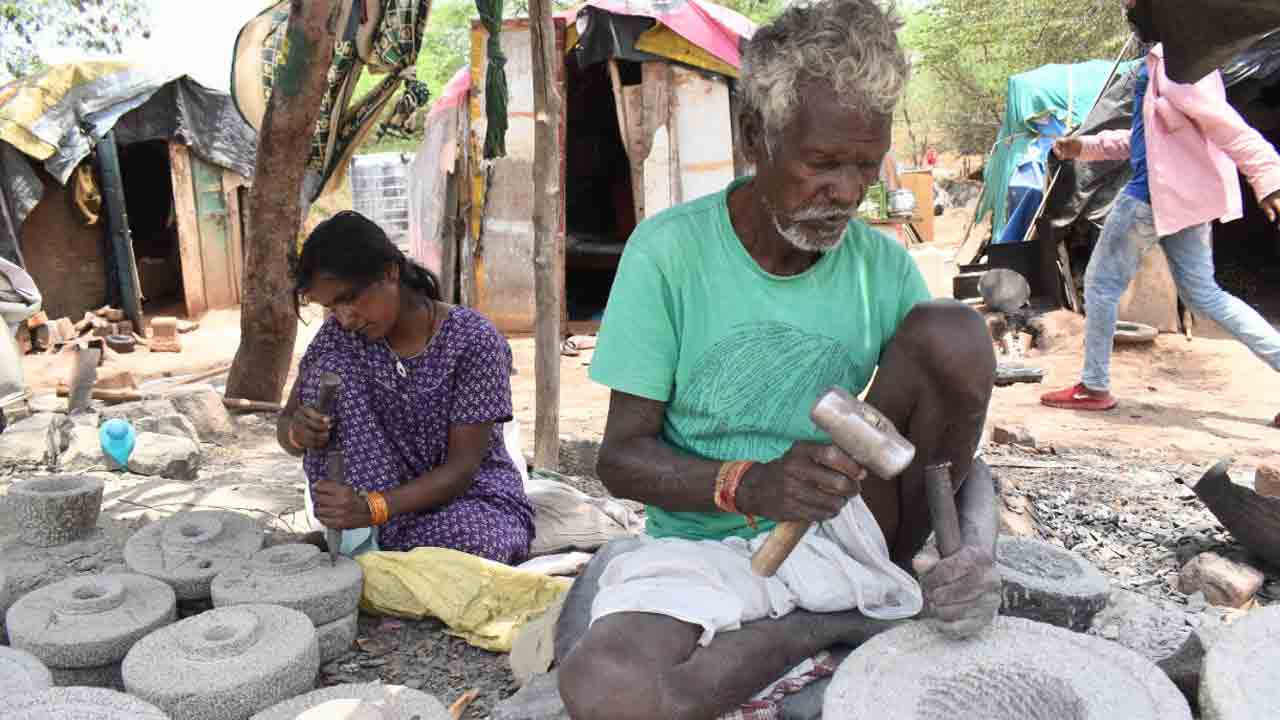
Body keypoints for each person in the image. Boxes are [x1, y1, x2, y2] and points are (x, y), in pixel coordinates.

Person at [554, 2, 1001, 718]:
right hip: (705, 546)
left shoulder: (881, 270)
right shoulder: (669, 254)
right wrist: (748, 485)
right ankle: (826, 626)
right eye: (824, 164)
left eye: (866, 164)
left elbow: (957, 462)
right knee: (607, 689)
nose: (851, 192)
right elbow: (621, 459)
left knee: (955, 333)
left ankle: (857, 599)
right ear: (754, 137)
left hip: (850, 536)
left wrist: (976, 553)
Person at [1041, 0, 1280, 428]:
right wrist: (1085, 147)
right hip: (1174, 198)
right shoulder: (1159, 64)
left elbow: (1230, 128)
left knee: (1099, 283)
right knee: (1205, 297)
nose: (1126, 7)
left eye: (1133, 2)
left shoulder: (1180, 67)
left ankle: (1093, 386)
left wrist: (1269, 176)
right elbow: (1147, 142)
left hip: (1150, 197)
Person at [277, 211, 534, 564]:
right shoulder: (338, 339)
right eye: (332, 307)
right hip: (367, 517)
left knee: (480, 541)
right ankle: (367, 546)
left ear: (390, 272)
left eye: (350, 297)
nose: (346, 317)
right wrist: (296, 433)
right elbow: (287, 423)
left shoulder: (472, 341)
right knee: (332, 367)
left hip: (466, 501)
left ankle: (371, 553)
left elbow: (461, 470)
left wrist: (374, 507)